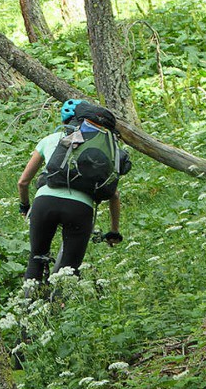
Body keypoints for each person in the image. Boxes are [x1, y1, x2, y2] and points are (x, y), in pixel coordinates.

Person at [17, 99, 129, 282]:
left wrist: (25, 206)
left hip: (44, 201)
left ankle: (29, 305)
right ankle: (60, 306)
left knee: (37, 257)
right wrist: (114, 231)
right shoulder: (105, 148)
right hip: (80, 208)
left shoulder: (51, 140)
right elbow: (114, 194)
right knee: (69, 268)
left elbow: (23, 182)